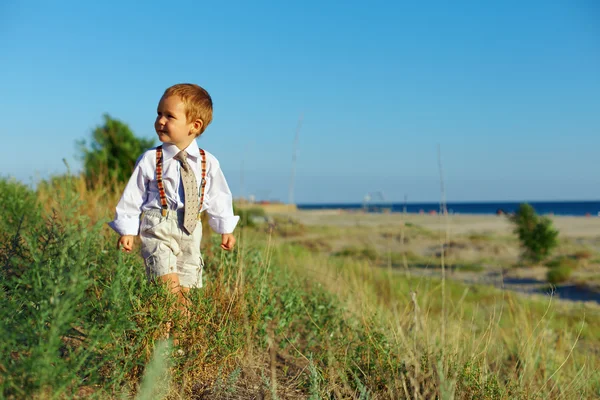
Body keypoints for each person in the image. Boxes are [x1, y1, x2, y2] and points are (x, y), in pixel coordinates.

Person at [109, 83, 239, 343]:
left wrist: (225, 227)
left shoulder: (207, 161)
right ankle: (158, 346)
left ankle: (174, 350)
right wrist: (127, 229)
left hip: (191, 231)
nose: (160, 121)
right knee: (169, 292)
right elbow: (133, 196)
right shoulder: (151, 159)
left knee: (186, 299)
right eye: (159, 114)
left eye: (169, 116)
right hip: (158, 228)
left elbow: (218, 196)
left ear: (195, 126)